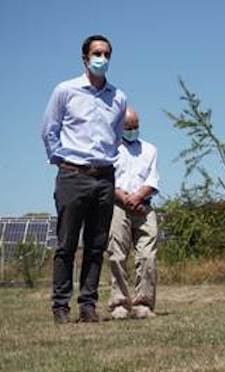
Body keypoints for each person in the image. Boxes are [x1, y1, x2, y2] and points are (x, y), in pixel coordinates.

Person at [41, 34, 127, 323]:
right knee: (66, 244)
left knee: (96, 244)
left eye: (106, 54)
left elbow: (116, 138)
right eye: (96, 53)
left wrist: (105, 164)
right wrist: (62, 161)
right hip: (72, 175)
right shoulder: (65, 91)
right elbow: (49, 129)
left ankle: (88, 305)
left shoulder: (118, 97)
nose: (101, 58)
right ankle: (60, 306)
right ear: (85, 58)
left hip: (104, 178)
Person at [106, 107, 160, 320]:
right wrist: (125, 198)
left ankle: (143, 303)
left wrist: (139, 197)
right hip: (119, 206)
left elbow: (153, 180)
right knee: (117, 254)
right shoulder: (110, 149)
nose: (133, 131)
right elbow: (107, 179)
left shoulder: (150, 149)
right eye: (129, 127)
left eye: (136, 127)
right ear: (120, 127)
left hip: (144, 207)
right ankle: (119, 302)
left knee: (147, 256)